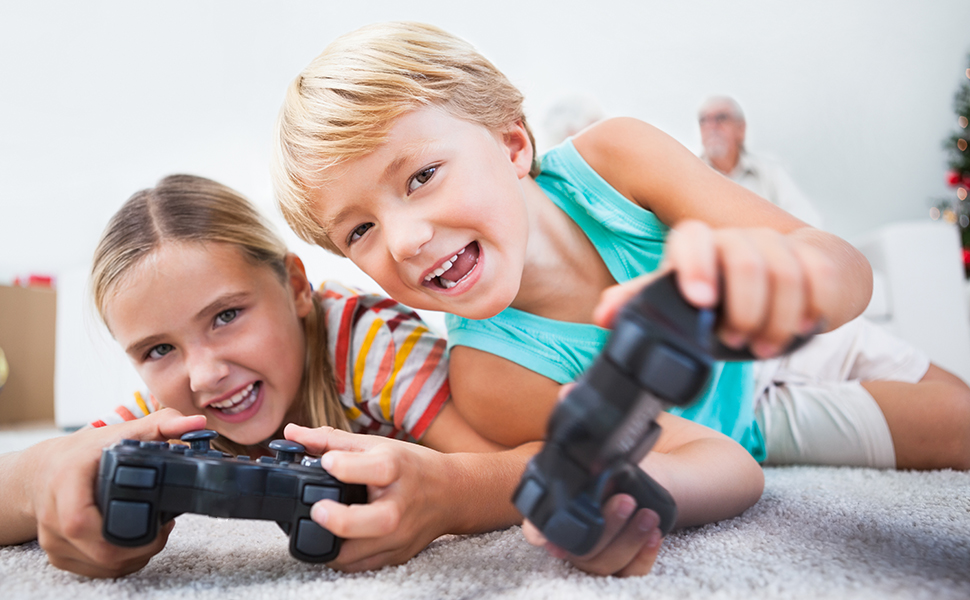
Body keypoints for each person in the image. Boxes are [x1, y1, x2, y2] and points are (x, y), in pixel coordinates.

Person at [270, 22, 970, 575]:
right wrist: (634, 498)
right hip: (757, 418)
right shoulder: (491, 376)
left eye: (421, 175)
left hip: (806, 330)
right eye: (359, 229)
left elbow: (843, 270)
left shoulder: (617, 157)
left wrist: (788, 284)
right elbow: (720, 462)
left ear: (513, 145)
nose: (404, 239)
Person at [0, 174, 544, 578]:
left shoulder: (367, 343)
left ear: (296, 286)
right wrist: (40, 477)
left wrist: (448, 493)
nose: (205, 374)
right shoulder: (169, 414)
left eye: (226, 316)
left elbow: (530, 465)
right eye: (159, 349)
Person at [698, 96, 825, 228]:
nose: (711, 126)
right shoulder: (693, 174)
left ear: (741, 128)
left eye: (721, 118)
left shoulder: (771, 170)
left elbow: (808, 219)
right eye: (704, 120)